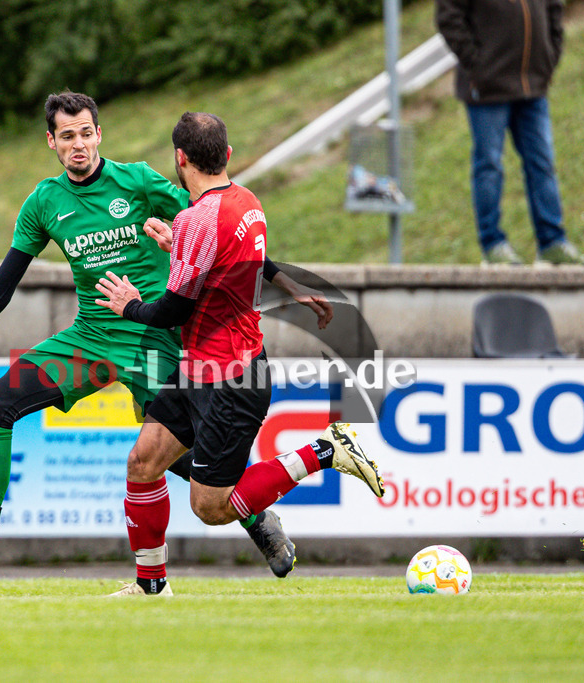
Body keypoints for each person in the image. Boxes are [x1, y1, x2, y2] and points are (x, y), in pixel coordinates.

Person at [0, 92, 334, 579]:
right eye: (67, 136)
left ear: (99, 134)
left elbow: (221, 231)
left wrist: (287, 284)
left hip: (152, 337)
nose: (78, 144)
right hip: (90, 340)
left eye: (85, 133)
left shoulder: (138, 181)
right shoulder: (44, 202)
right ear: (51, 142)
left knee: (175, 459)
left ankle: (258, 519)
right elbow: (1, 286)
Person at [95, 112, 385, 597]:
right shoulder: (247, 202)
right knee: (143, 462)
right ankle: (151, 587)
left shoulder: (197, 218)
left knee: (211, 507)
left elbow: (173, 310)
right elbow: (239, 261)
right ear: (227, 154)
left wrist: (129, 306)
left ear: (180, 158)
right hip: (199, 370)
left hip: (230, 380)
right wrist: (287, 283)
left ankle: (325, 451)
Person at [435, 0, 584, 266]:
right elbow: (448, 16)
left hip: (533, 86)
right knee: (489, 165)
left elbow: (554, 8)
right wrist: (479, 66)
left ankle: (552, 243)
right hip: (487, 87)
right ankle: (492, 245)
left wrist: (549, 57)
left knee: (542, 164)